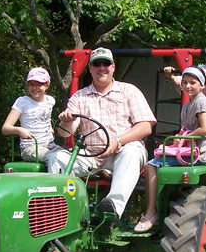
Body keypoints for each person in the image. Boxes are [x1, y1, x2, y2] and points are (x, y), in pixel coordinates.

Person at [52, 47, 156, 220]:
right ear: (90, 68)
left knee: (132, 151)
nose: (102, 68)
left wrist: (118, 141)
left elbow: (145, 126)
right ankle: (59, 215)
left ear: (113, 67)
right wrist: (67, 121)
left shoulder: (129, 91)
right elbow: (65, 134)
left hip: (121, 153)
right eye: (96, 64)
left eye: (105, 63)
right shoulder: (79, 97)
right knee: (56, 158)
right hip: (90, 157)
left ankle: (112, 209)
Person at [134, 67, 206, 232]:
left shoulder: (200, 101)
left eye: (193, 83)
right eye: (185, 83)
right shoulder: (189, 103)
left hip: (198, 153)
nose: (188, 86)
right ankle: (153, 208)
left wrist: (183, 138)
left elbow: (205, 129)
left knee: (152, 165)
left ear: (202, 85)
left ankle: (151, 213)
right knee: (153, 163)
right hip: (188, 150)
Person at [1, 67, 68, 168]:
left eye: (39, 84)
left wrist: (49, 127)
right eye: (32, 84)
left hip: (49, 144)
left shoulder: (50, 101)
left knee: (69, 158)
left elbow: (44, 118)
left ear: (47, 85)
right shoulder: (22, 102)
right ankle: (50, 183)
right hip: (30, 147)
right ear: (27, 85)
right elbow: (5, 128)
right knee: (55, 158)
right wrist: (19, 130)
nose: (35, 88)